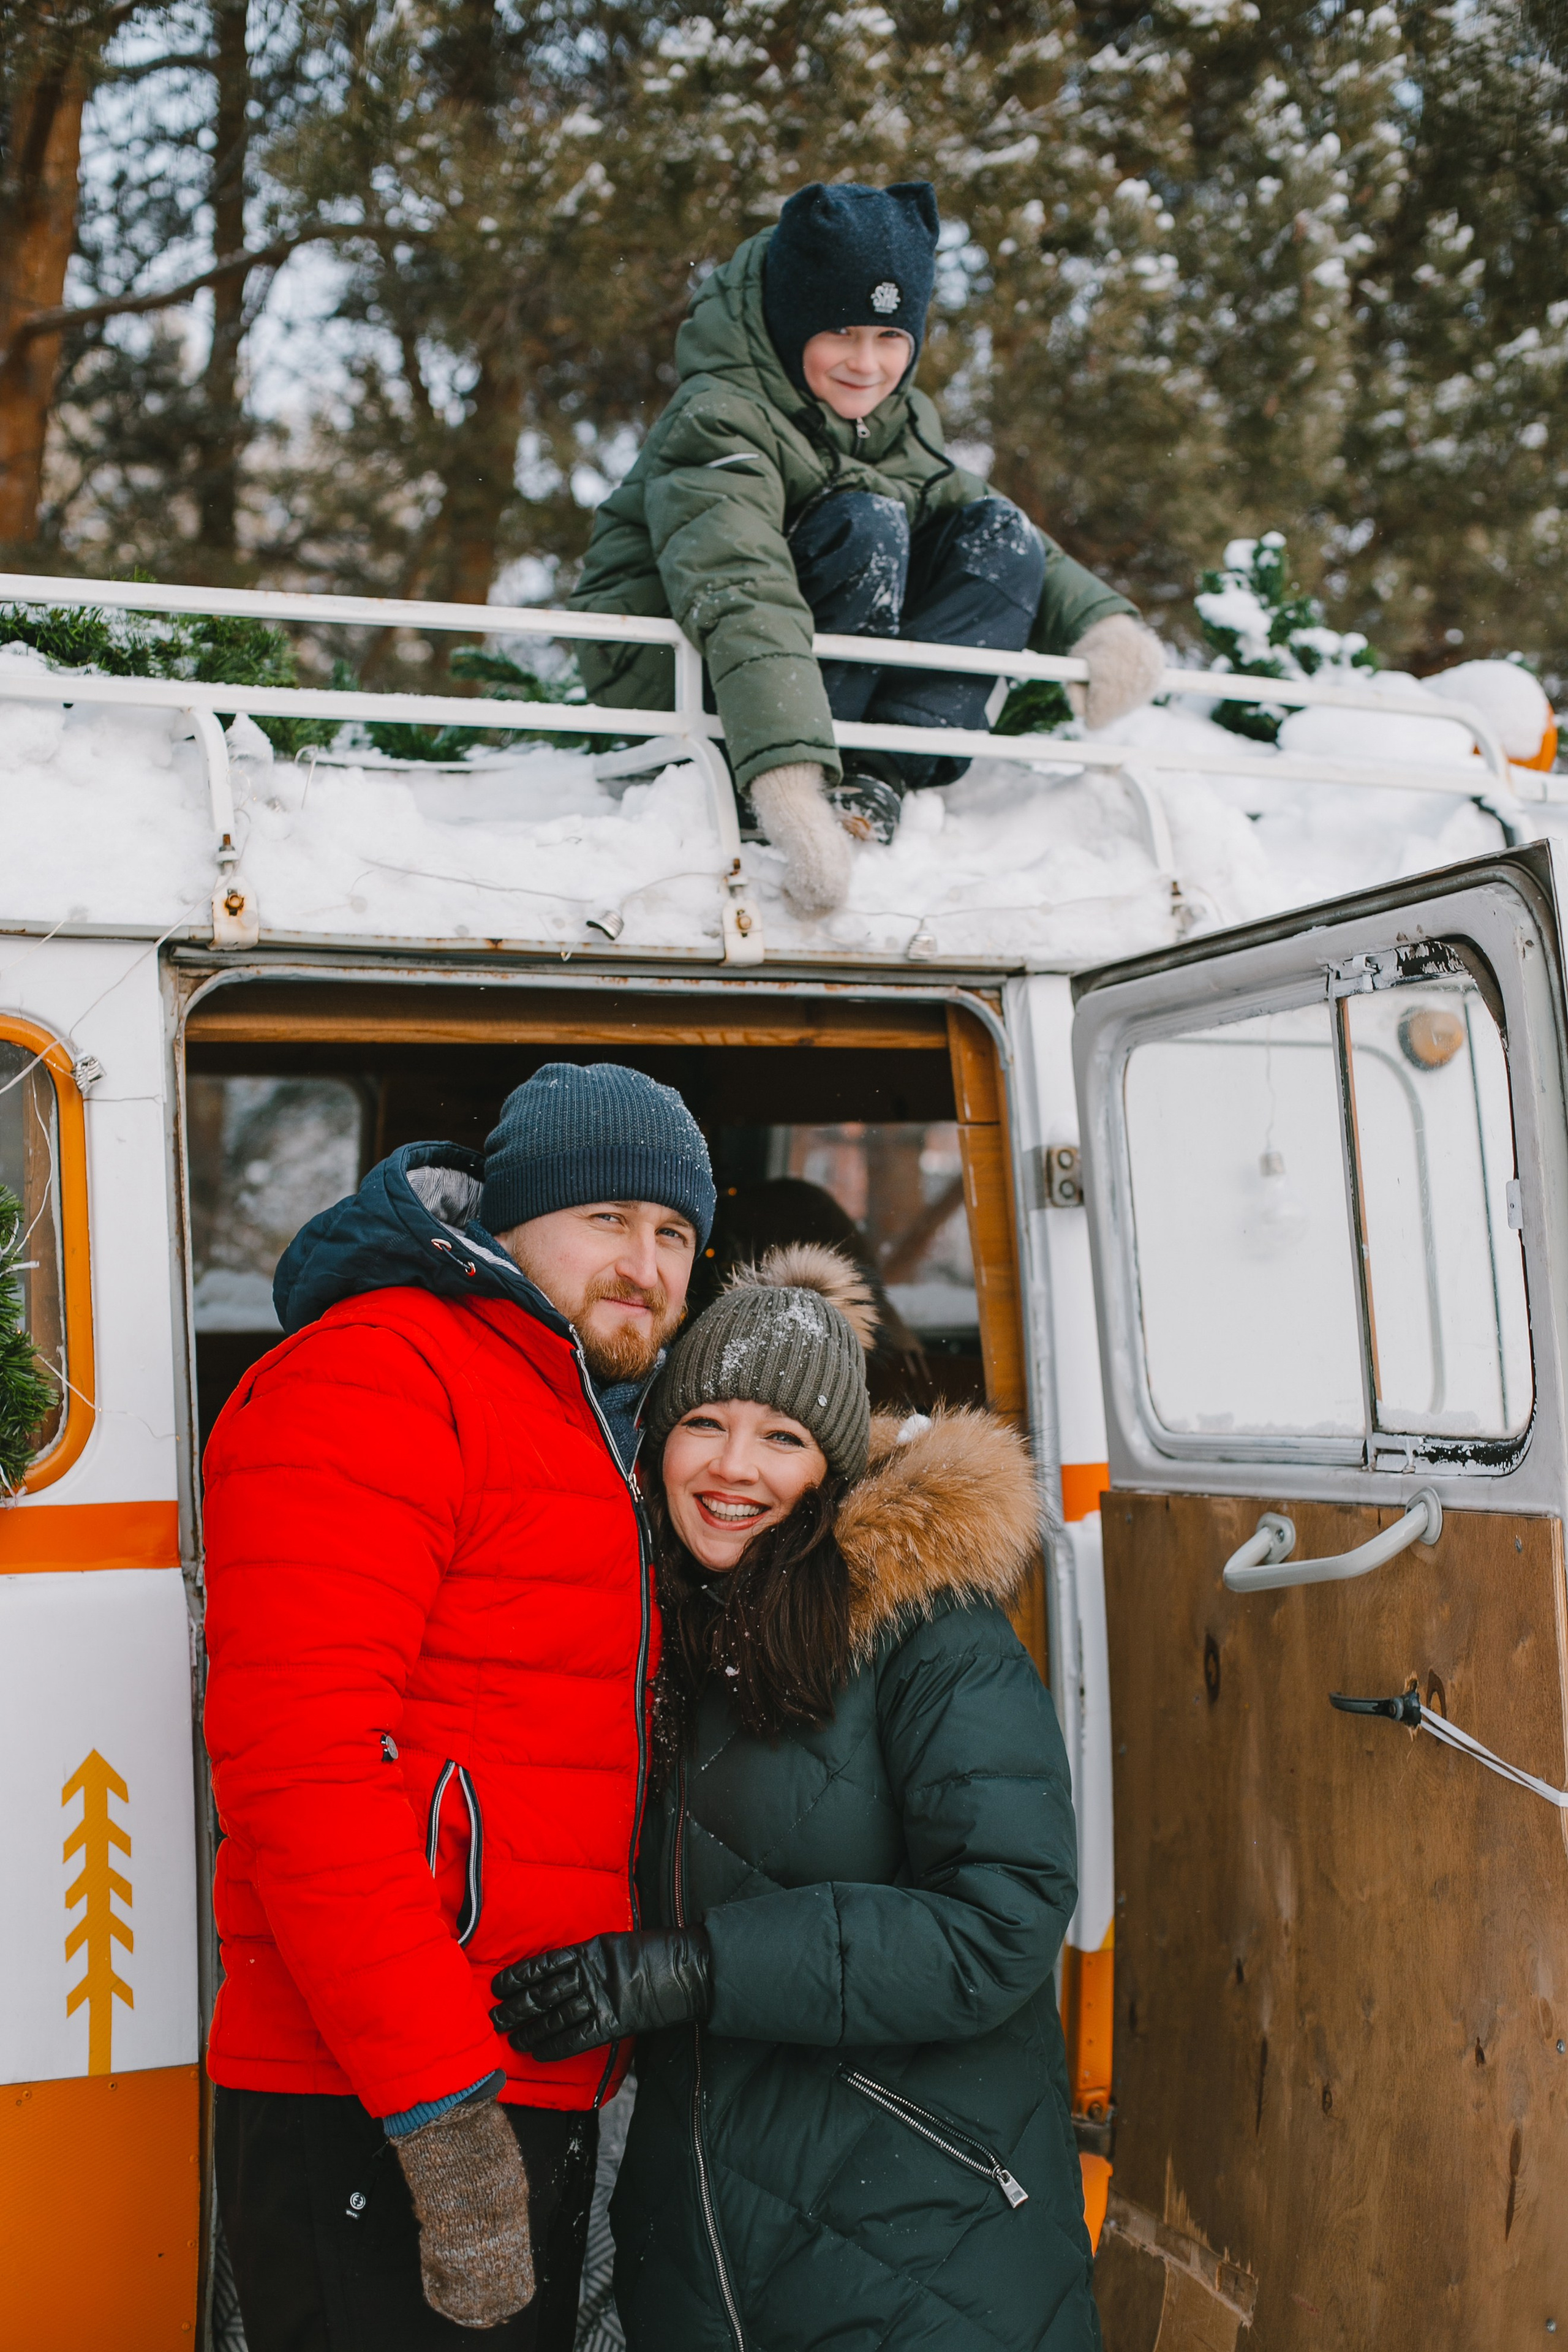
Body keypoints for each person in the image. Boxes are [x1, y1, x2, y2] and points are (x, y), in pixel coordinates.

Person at [493, 1244, 1099, 2351]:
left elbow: (1001, 1923)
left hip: (924, 2235)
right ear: (655, 1442)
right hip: (705, 2247)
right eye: (704, 1424)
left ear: (829, 1469)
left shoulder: (930, 1636)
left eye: (781, 1438)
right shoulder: (650, 1632)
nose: (735, 1468)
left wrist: (699, 1968)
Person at [201, 1061, 717, 2350]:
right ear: (503, 1219)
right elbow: (302, 1765)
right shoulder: (379, 1376)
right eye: (604, 1218)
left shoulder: (585, 1419)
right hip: (384, 2096)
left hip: (516, 2070)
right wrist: (441, 2109)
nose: (642, 1264)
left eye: (673, 1235)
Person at [570, 178, 1163, 916]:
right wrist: (787, 786)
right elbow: (742, 592)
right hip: (675, 666)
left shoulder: (893, 420)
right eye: (840, 333)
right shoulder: (720, 416)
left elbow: (979, 514)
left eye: (890, 337)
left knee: (998, 536)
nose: (866, 363)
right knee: (867, 525)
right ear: (791, 326)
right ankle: (791, 768)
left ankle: (877, 771)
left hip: (775, 668)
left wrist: (1100, 624)